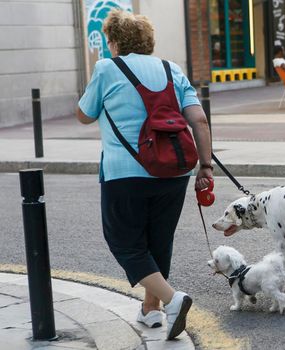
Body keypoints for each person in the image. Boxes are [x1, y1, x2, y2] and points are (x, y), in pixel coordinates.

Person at [76, 9, 213, 340]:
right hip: (174, 171)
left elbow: (83, 115)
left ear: (114, 41)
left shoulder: (107, 68)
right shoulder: (171, 69)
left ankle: (171, 299)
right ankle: (151, 310)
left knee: (124, 242)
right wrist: (205, 166)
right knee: (159, 241)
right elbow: (199, 120)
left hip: (125, 173)